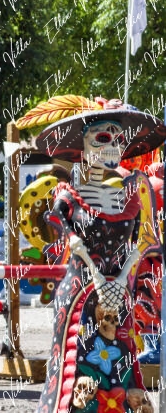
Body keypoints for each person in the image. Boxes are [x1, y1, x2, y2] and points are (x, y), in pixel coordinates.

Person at [28, 104, 166, 413]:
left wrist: (119, 282)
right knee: (77, 361)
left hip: (117, 293)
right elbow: (70, 238)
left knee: (120, 358)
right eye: (103, 138)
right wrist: (99, 280)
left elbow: (139, 244)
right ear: (83, 146)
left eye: (119, 140)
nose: (113, 146)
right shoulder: (68, 195)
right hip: (80, 294)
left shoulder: (130, 195)